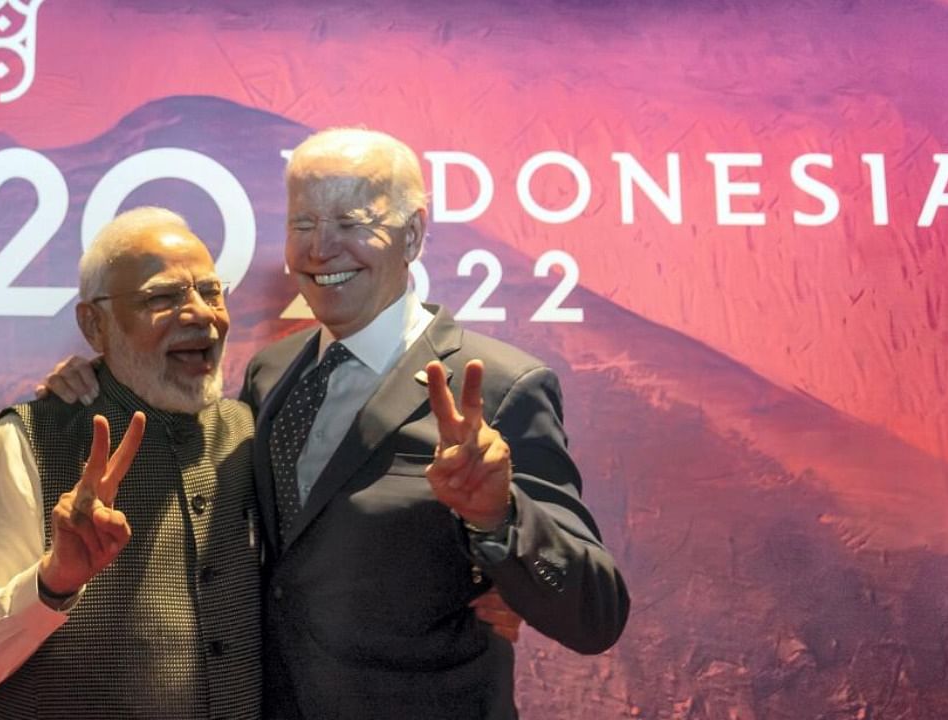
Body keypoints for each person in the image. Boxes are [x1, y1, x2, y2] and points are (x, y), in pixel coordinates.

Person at [43, 128, 629, 719]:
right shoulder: (271, 374)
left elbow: (595, 614)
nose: (321, 249)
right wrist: (103, 373)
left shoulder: (503, 388)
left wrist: (500, 520)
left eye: (351, 223)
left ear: (413, 234)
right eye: (303, 224)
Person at [0, 207, 263, 719]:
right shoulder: (33, 437)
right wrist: (52, 582)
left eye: (211, 292)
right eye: (162, 297)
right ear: (94, 324)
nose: (201, 314)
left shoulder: (248, 432)